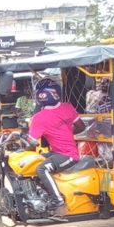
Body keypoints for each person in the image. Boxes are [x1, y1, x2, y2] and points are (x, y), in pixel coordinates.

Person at [24, 81, 81, 218]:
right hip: (65, 152)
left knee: (41, 169)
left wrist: (24, 146)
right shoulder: (67, 107)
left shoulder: (39, 118)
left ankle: (59, 202)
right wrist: (65, 132)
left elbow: (31, 144)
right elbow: (81, 127)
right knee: (39, 160)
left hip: (68, 155)